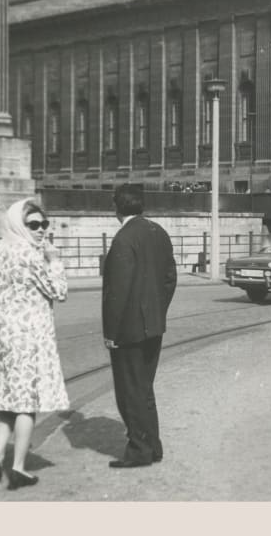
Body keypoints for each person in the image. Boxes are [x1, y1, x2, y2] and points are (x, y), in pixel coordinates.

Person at [0, 198, 69, 490]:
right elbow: (59, 291)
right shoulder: (29, 255)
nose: (41, 229)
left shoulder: (1, 252)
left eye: (44, 224)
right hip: (29, 337)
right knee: (26, 404)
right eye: (34, 225)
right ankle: (18, 468)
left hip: (4, 337)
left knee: (9, 401)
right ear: (20, 225)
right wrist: (54, 261)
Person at [103, 184, 177, 468]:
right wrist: (157, 311)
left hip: (128, 331)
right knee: (144, 388)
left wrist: (111, 333)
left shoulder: (123, 239)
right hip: (153, 327)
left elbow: (117, 293)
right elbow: (170, 279)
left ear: (117, 207)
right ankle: (153, 446)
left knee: (130, 392)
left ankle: (139, 451)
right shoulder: (159, 232)